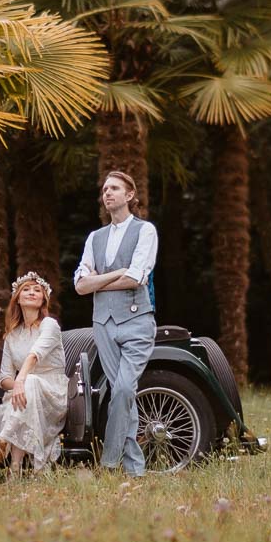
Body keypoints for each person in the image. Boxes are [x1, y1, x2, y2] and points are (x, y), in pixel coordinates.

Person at [73, 170, 158, 477]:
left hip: (137, 321)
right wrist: (114, 274)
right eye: (105, 189)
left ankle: (109, 463)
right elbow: (79, 285)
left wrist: (97, 282)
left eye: (114, 188)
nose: (107, 193)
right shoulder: (94, 238)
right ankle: (135, 470)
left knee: (123, 389)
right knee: (122, 395)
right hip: (103, 323)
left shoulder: (145, 231)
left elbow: (136, 276)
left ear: (129, 195)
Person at [0, 272, 67, 472]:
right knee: (26, 392)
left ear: (43, 300)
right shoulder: (12, 335)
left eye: (37, 290)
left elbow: (35, 355)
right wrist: (18, 385)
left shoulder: (49, 325)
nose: (32, 292)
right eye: (26, 289)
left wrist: (21, 381)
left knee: (30, 383)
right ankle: (14, 470)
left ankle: (0, 444)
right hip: (24, 394)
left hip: (53, 392)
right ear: (17, 298)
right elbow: (4, 378)